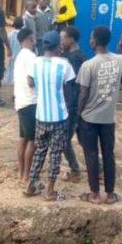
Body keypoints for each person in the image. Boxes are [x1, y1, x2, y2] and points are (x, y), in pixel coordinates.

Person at [24, 31, 76, 201]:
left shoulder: (35, 62)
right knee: (55, 154)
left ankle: (30, 186)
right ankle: (50, 191)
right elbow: (69, 89)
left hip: (41, 116)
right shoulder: (64, 64)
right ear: (57, 47)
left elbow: (30, 83)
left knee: (40, 151)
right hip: (59, 117)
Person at [77, 27, 122, 204]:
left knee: (91, 155)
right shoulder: (120, 60)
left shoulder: (88, 65)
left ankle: (95, 194)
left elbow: (83, 95)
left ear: (95, 41)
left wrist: (78, 114)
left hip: (89, 118)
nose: (90, 40)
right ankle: (110, 194)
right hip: (108, 118)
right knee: (109, 155)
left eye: (91, 38)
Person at [13, 27, 38, 185]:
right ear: (29, 39)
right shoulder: (31, 57)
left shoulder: (20, 56)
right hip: (31, 101)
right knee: (32, 140)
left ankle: (21, 173)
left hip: (21, 101)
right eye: (34, 38)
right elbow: (31, 81)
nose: (35, 41)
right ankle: (27, 175)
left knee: (23, 138)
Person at [59, 26, 85, 183]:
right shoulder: (81, 56)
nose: (61, 42)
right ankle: (99, 169)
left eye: (63, 39)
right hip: (80, 105)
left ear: (71, 39)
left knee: (63, 140)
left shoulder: (73, 59)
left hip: (73, 106)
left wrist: (69, 106)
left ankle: (75, 170)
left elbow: (74, 86)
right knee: (84, 140)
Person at [3, 16, 23, 86]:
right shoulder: (24, 35)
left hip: (12, 56)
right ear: (22, 25)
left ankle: (12, 81)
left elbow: (6, 45)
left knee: (11, 70)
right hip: (21, 57)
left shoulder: (10, 35)